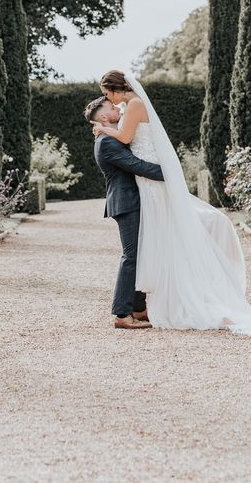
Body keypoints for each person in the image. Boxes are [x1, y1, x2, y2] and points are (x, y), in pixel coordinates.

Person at [92, 69, 251, 337]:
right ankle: (132, 309)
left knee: (149, 246)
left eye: (106, 94)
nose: (108, 99)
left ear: (113, 89)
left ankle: (139, 307)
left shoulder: (133, 104)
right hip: (144, 188)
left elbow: (124, 137)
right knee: (143, 249)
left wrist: (106, 128)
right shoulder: (127, 111)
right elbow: (128, 145)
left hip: (151, 185)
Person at [85, 95, 164, 329]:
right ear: (103, 117)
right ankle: (121, 314)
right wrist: (168, 172)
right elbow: (135, 165)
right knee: (131, 256)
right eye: (111, 107)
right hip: (126, 202)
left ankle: (138, 309)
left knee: (140, 254)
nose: (117, 108)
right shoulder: (106, 143)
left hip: (132, 200)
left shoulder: (110, 137)